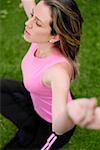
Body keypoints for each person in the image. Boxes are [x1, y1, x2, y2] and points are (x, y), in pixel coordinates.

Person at [0, 0, 100, 149]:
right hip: (35, 98)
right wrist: (36, 17)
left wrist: (70, 113)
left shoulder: (58, 73)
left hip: (49, 126)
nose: (28, 22)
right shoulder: (40, 36)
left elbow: (59, 128)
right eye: (32, 15)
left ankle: (29, 133)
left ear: (54, 36)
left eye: (38, 23)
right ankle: (28, 126)